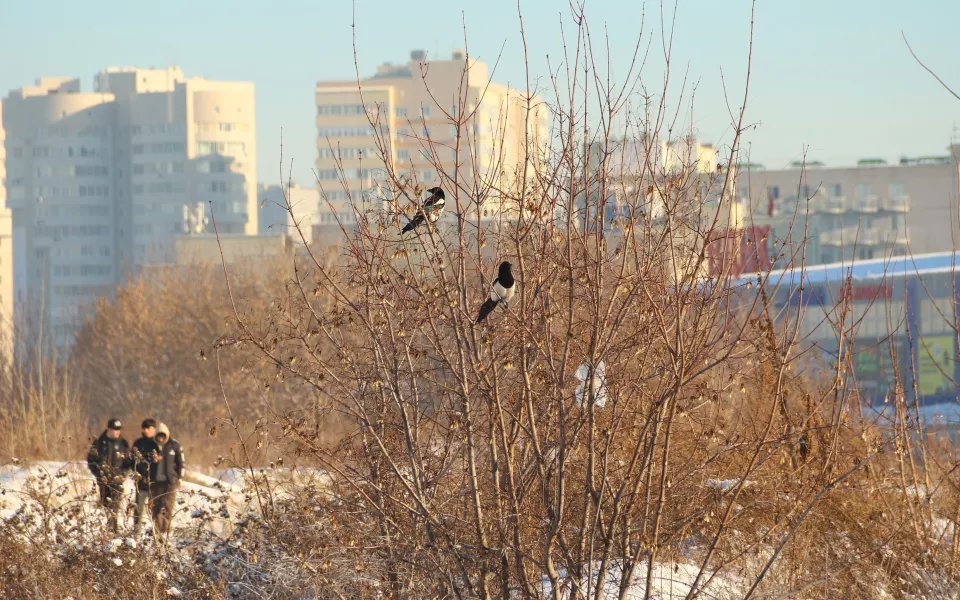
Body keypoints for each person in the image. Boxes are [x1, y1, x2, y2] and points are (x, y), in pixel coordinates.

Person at [86, 418, 130, 531]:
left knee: (115, 505)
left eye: (119, 429)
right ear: (109, 429)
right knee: (106, 505)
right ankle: (106, 529)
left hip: (117, 481)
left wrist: (123, 475)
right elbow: (91, 460)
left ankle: (114, 529)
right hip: (104, 481)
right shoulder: (99, 442)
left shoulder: (123, 443)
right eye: (115, 429)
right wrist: (98, 474)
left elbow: (128, 461)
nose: (118, 432)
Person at [149, 422, 184, 538]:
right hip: (155, 483)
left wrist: (179, 478)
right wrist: (152, 460)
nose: (160, 438)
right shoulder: (151, 446)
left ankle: (166, 531)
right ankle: (157, 530)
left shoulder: (174, 446)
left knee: (168, 507)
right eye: (158, 436)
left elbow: (181, 463)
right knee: (156, 508)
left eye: (162, 436)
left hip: (169, 483)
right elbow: (143, 461)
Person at [130, 418, 159, 536]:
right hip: (141, 483)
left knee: (155, 513)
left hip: (154, 484)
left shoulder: (157, 443)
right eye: (144, 428)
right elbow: (132, 460)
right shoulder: (138, 443)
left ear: (154, 429)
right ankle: (135, 535)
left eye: (149, 428)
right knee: (137, 511)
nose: (146, 430)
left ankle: (156, 536)